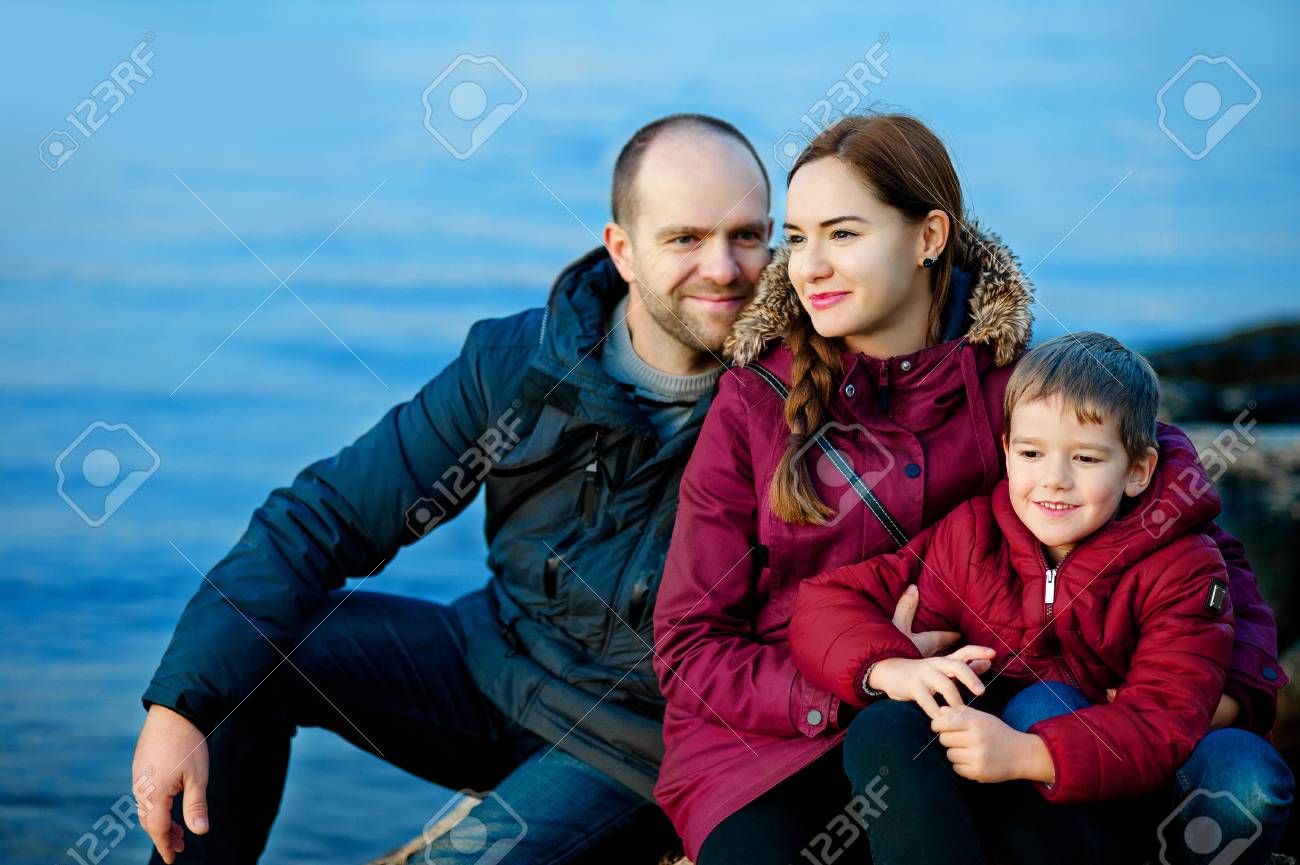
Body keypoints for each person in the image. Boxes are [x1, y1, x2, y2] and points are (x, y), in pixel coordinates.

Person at [130, 112, 775, 864]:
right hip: (494, 665)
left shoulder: (796, 399)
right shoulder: (519, 363)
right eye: (686, 239)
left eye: (748, 235)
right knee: (243, 657)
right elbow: (323, 515)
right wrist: (180, 701)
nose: (726, 268)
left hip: (634, 745)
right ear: (623, 251)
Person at [652, 113, 1290, 865]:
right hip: (778, 738)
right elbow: (690, 643)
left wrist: (1221, 696)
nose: (808, 265)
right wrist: (866, 677)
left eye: (843, 234)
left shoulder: (1019, 386)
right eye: (796, 237)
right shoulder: (754, 400)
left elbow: (1192, 541)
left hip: (986, 717)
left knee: (1207, 785)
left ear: (928, 237)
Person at [790, 331, 1293, 863]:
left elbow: (1164, 720)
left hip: (1150, 779)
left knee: (1246, 775)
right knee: (991, 710)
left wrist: (1030, 753)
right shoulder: (971, 534)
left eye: (1087, 459)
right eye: (1032, 452)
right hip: (1043, 802)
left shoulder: (1182, 562)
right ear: (1007, 451)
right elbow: (825, 601)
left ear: (1138, 471)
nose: (1054, 480)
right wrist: (889, 668)